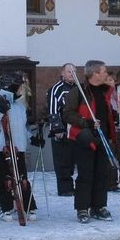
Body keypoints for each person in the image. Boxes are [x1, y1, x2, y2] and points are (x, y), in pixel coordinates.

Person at [63, 59, 120, 223]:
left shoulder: (105, 91)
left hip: (104, 137)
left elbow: (108, 112)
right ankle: (82, 208)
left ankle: (99, 206)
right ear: (95, 73)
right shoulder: (79, 92)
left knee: (102, 174)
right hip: (85, 138)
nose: (106, 74)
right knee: (85, 174)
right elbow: (68, 114)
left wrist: (118, 118)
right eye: (104, 71)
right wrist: (86, 122)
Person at [0, 72, 37, 222]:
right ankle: (5, 207)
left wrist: (32, 137)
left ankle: (28, 206)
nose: (22, 88)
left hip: (18, 146)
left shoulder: (19, 104)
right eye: (19, 85)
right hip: (0, 146)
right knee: (5, 178)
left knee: (22, 177)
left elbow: (21, 126)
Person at [46, 63, 79, 196]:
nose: (72, 74)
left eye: (75, 72)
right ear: (63, 73)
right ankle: (65, 188)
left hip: (76, 129)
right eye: (70, 72)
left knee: (74, 159)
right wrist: (57, 128)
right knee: (63, 160)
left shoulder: (79, 88)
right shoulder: (56, 89)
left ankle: (76, 186)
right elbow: (53, 110)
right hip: (63, 130)